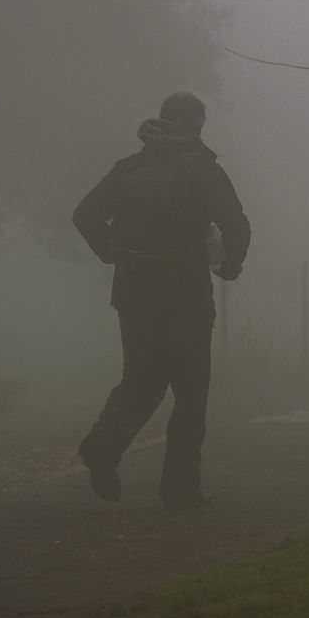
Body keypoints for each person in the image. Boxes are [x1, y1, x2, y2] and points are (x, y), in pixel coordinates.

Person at [73, 92, 250, 509]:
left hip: (133, 292)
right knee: (190, 391)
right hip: (185, 294)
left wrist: (112, 251)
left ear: (161, 121)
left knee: (140, 378)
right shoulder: (204, 170)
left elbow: (84, 215)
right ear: (197, 125)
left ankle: (103, 445)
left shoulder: (130, 168)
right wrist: (230, 265)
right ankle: (180, 488)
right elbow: (237, 225)